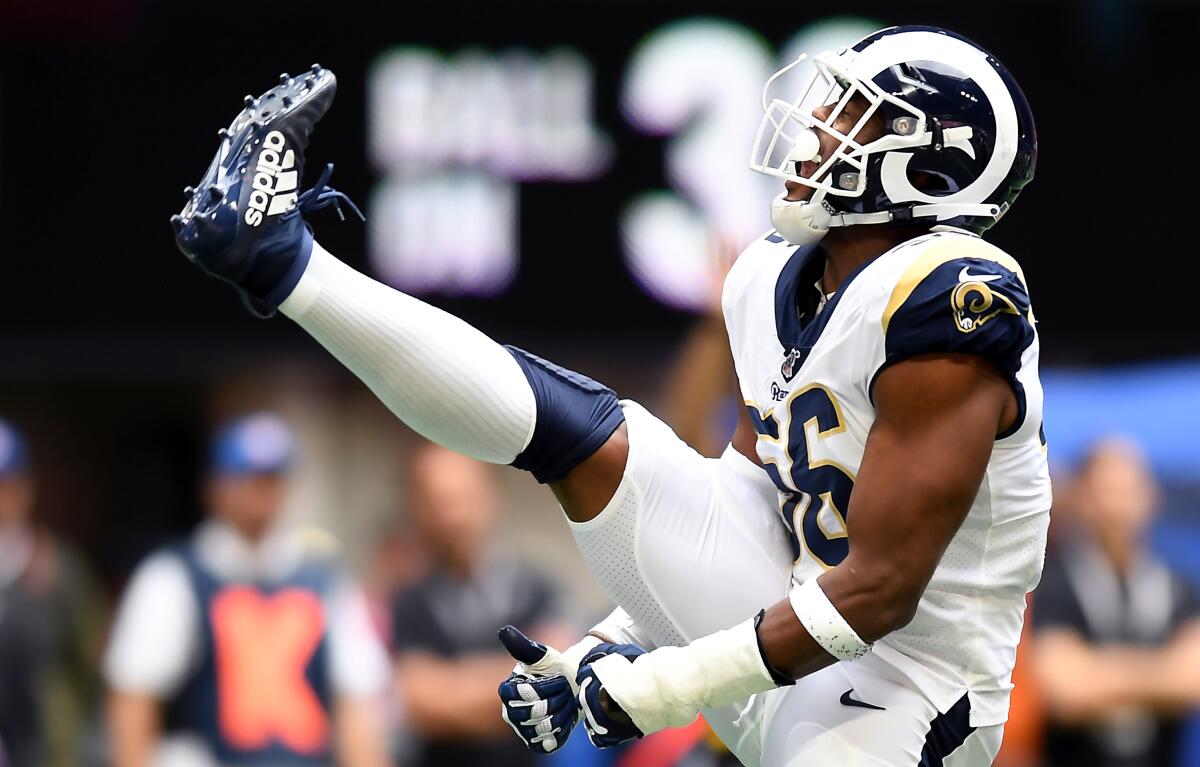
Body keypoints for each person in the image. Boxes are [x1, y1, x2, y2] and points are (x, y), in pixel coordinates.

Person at [171, 25, 1048, 766]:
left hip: (906, 690)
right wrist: (610, 643)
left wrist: (658, 686)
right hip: (785, 633)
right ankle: (283, 262)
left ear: (928, 167)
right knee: (589, 436)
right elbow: (752, 497)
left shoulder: (952, 298)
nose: (819, 127)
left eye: (855, 115)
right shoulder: (770, 278)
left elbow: (879, 590)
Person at [103, 413, 390, 767]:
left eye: (272, 478)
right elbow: (134, 699)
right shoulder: (172, 577)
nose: (261, 492)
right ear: (214, 486)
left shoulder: (325, 578)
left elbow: (357, 705)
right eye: (247, 478)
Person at [389, 442, 574, 767]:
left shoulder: (537, 590)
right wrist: (511, 684)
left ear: (490, 494)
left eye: (461, 498)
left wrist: (451, 688)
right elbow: (418, 703)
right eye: (438, 502)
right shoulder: (409, 601)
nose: (452, 516)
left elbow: (553, 684)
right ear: (417, 508)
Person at [1030, 439, 1200, 766]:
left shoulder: (1178, 587)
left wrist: (1099, 672)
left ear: (1151, 496)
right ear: (1083, 499)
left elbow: (1192, 680)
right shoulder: (1054, 584)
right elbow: (1066, 692)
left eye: (1129, 489)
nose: (1118, 506)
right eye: (1106, 491)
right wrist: (1162, 673)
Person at [0, 418, 106, 767]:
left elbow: (93, 668)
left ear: (25, 487)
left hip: (47, 750)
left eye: (6, 484)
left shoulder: (59, 568)